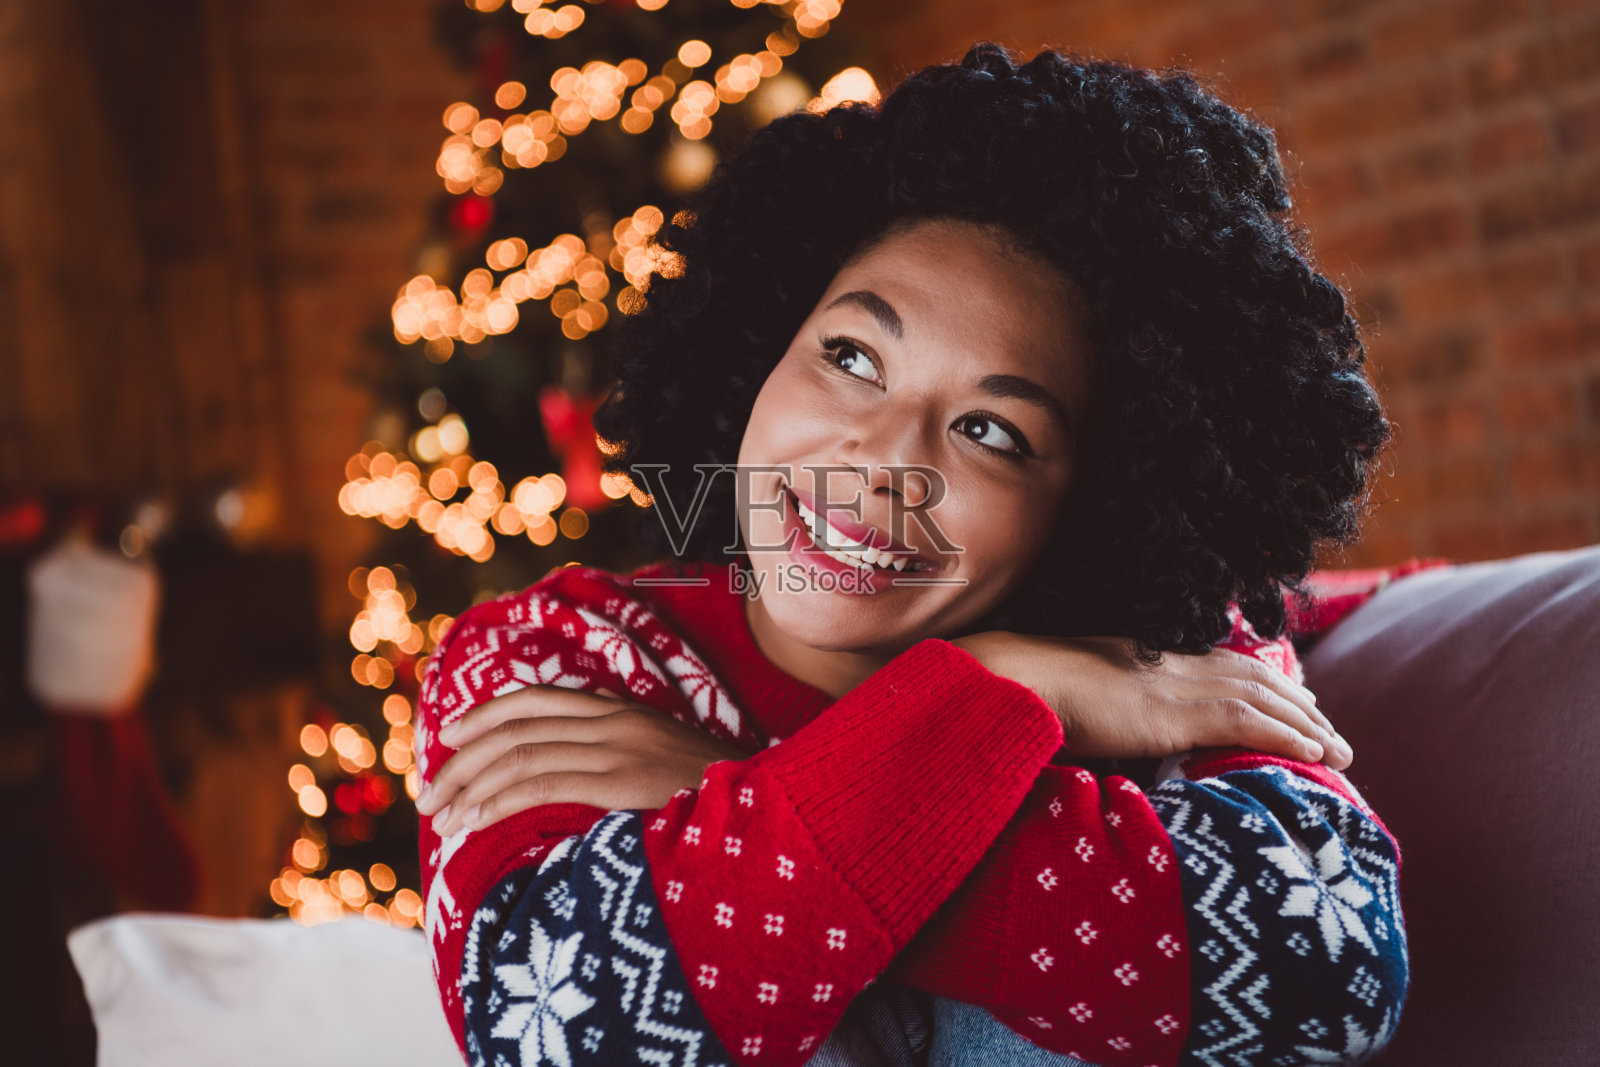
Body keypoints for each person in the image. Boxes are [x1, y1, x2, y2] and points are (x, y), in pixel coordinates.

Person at [412, 42, 1407, 1066]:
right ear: (761, 350)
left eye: (992, 431)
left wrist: (740, 789)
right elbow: (560, 1026)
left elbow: (1332, 969)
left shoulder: (1168, 653)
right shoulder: (551, 652)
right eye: (850, 357)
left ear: (1094, 497)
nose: (883, 462)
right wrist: (981, 693)